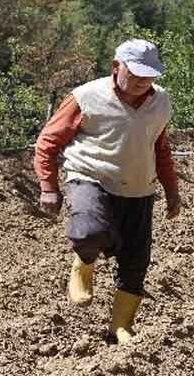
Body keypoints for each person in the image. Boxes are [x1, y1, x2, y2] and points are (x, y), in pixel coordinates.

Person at [33, 39, 180, 345]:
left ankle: (120, 327)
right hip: (90, 177)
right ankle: (84, 265)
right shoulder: (86, 97)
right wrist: (48, 186)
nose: (143, 81)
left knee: (136, 260)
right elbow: (48, 141)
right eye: (136, 73)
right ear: (116, 67)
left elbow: (161, 149)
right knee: (88, 230)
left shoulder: (161, 103)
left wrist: (171, 190)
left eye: (150, 75)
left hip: (139, 188)